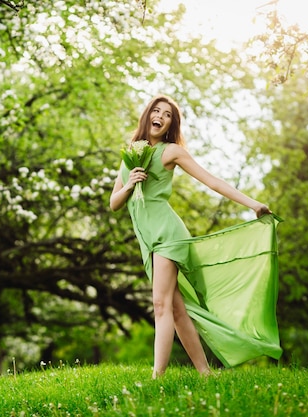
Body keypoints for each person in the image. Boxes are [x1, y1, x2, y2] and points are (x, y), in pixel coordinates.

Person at [110, 94, 274, 378]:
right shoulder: (131, 153)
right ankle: (205, 372)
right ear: (147, 114)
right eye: (156, 110)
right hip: (147, 240)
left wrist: (253, 204)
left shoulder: (171, 152)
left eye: (168, 114)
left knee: (160, 305)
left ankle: (157, 377)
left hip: (167, 235)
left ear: (171, 124)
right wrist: (130, 184)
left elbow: (211, 180)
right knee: (176, 309)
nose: (160, 116)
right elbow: (114, 203)